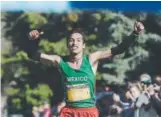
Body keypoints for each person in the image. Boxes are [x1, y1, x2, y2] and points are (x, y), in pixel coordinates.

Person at [27, 21, 144, 117]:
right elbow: (33, 55)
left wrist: (135, 33)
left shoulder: (92, 59)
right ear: (68, 44)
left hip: (88, 112)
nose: (75, 43)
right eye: (71, 40)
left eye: (78, 40)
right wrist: (34, 40)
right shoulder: (60, 61)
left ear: (83, 45)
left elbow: (118, 49)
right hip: (69, 112)